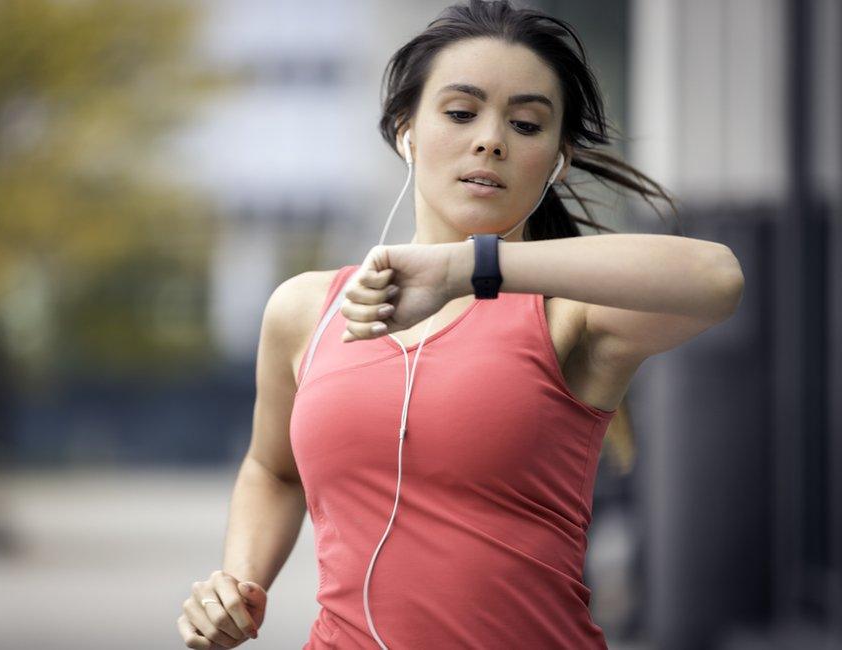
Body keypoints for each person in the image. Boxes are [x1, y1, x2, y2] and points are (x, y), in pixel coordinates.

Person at [177, 1, 744, 648]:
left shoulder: (568, 314)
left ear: (557, 161)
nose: (492, 139)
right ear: (405, 131)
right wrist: (238, 582)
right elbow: (273, 470)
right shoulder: (309, 308)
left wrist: (467, 268)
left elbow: (717, 280)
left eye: (527, 124)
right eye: (460, 112)